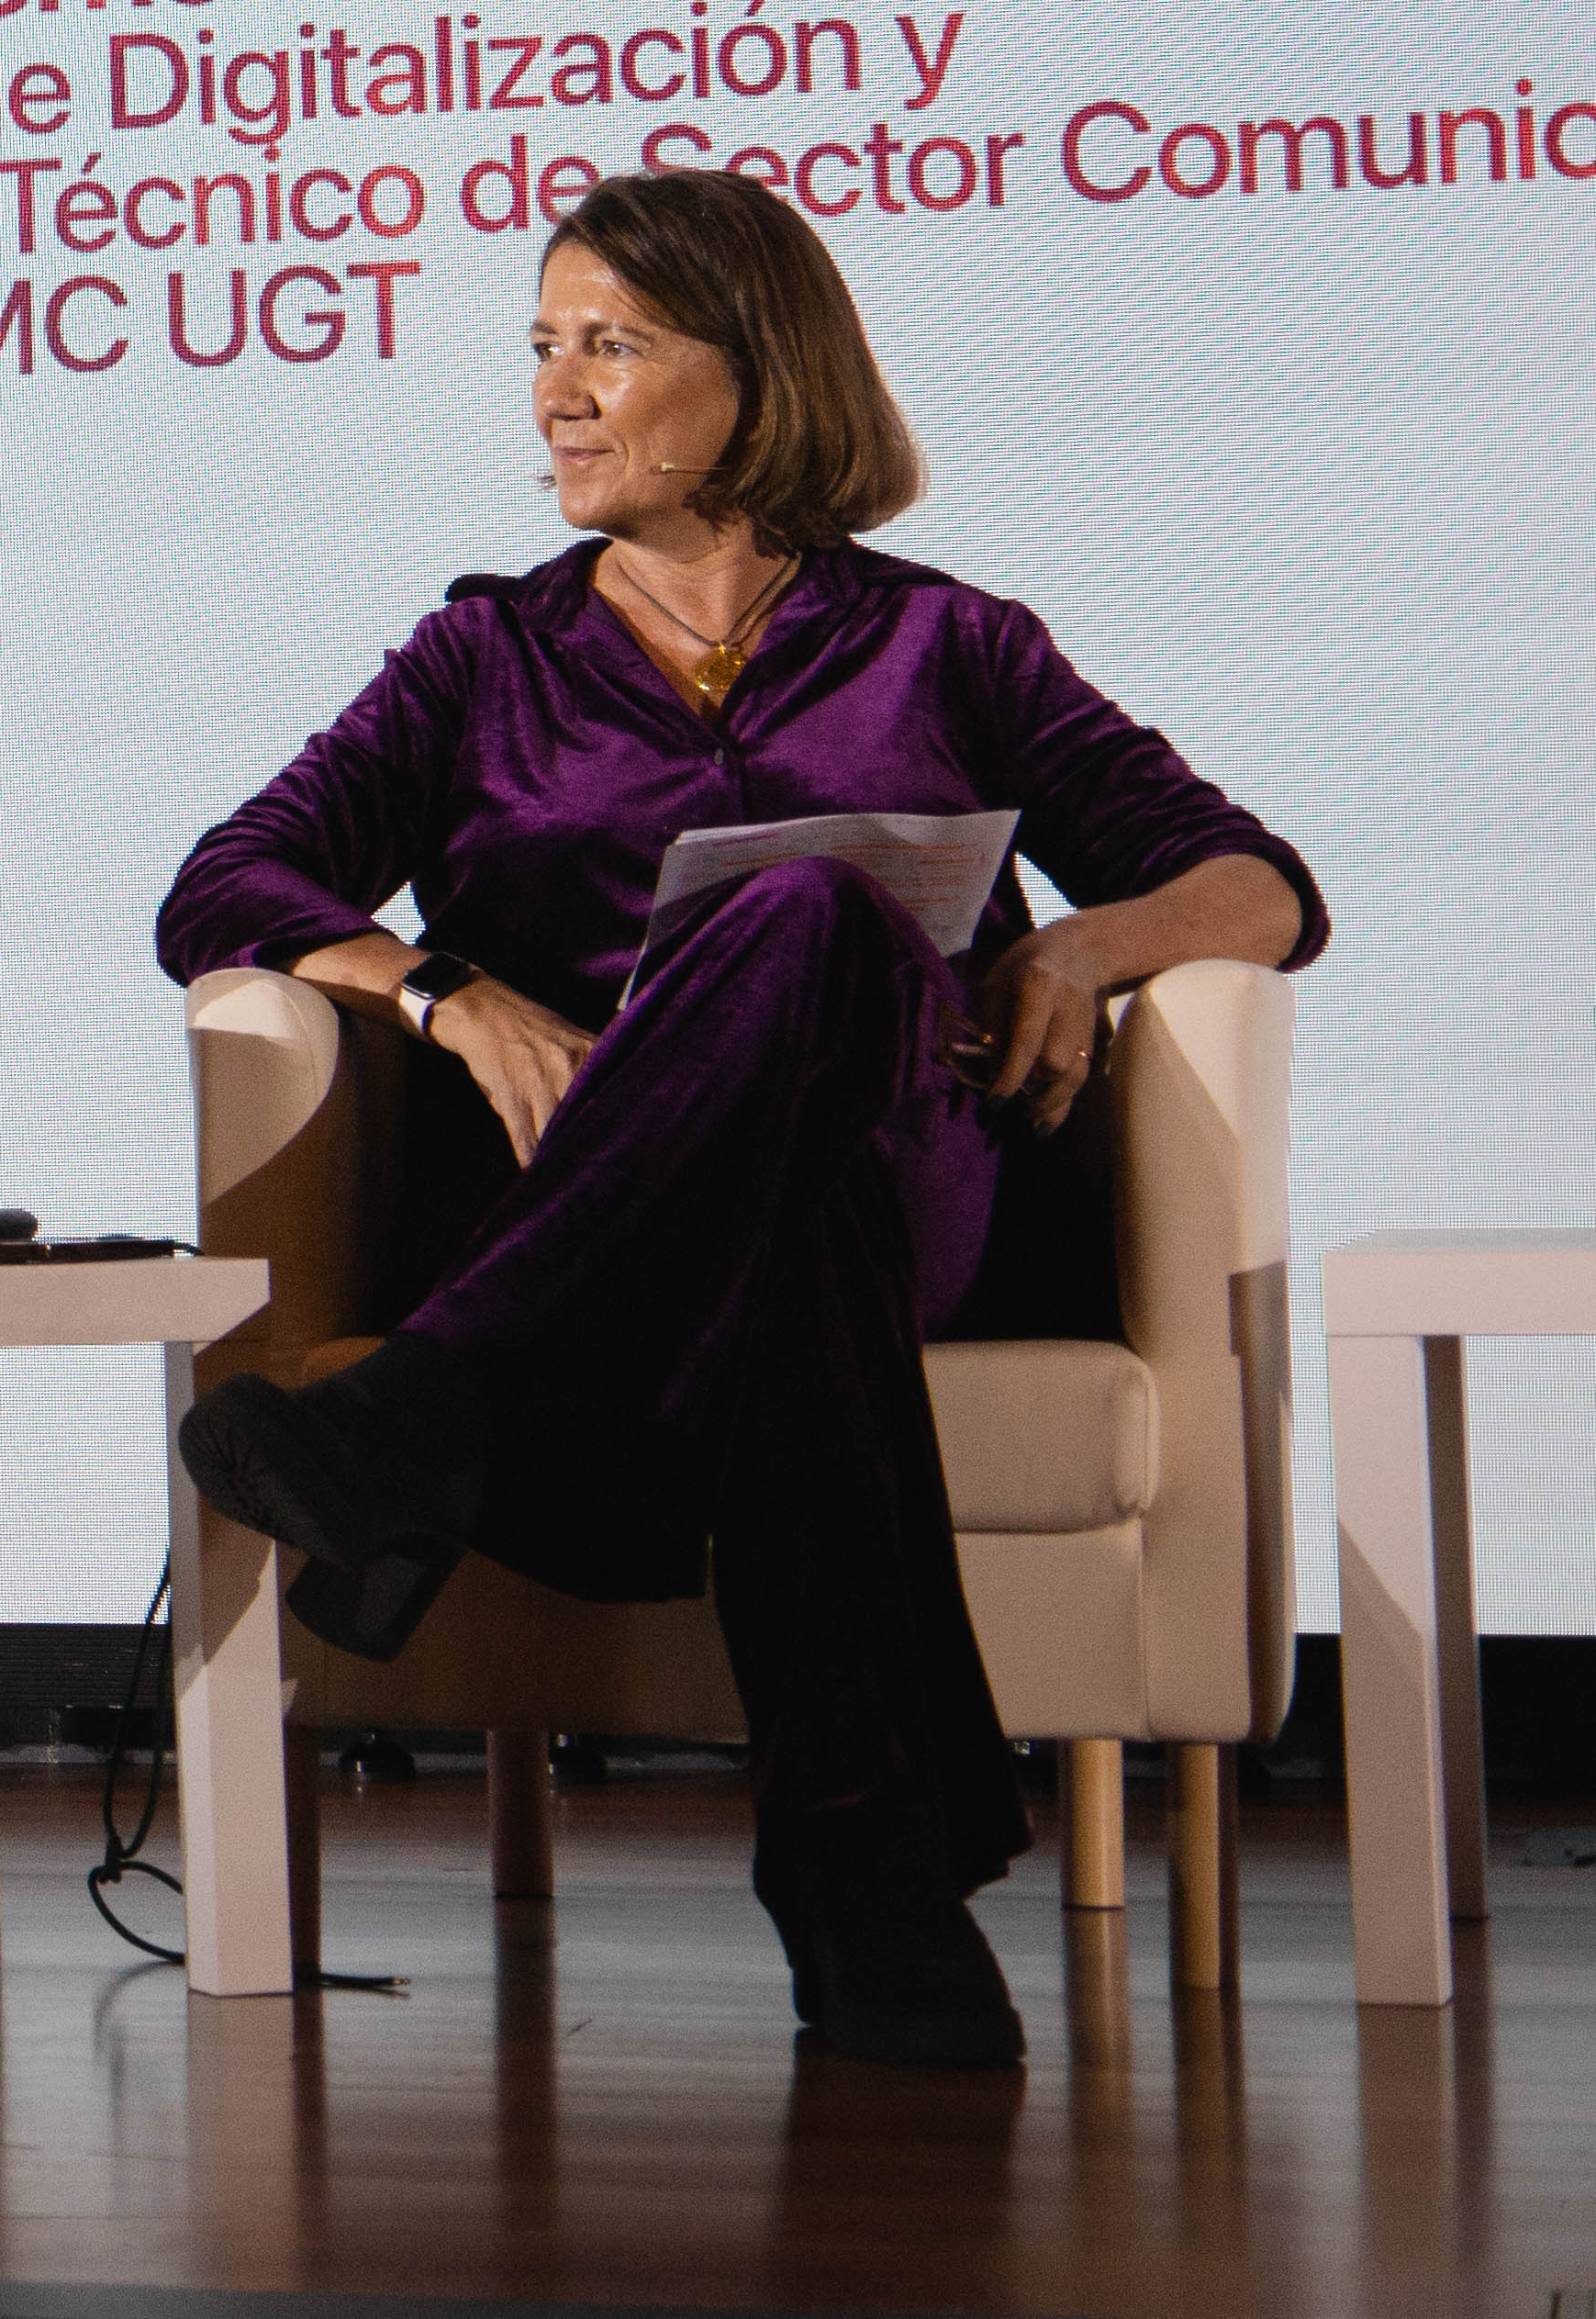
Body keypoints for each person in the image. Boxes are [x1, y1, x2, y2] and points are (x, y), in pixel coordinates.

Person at [158, 169, 1316, 2071]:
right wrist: (445, 990)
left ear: (757, 367)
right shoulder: (481, 662)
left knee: (808, 912)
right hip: (648, 1214)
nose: (555, 392)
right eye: (541, 345)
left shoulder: (950, 643)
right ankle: (868, 1882)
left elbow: (1258, 881)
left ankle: (440, 1395)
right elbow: (230, 880)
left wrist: (1088, 945)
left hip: (926, 1165)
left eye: (609, 342)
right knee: (796, 1253)